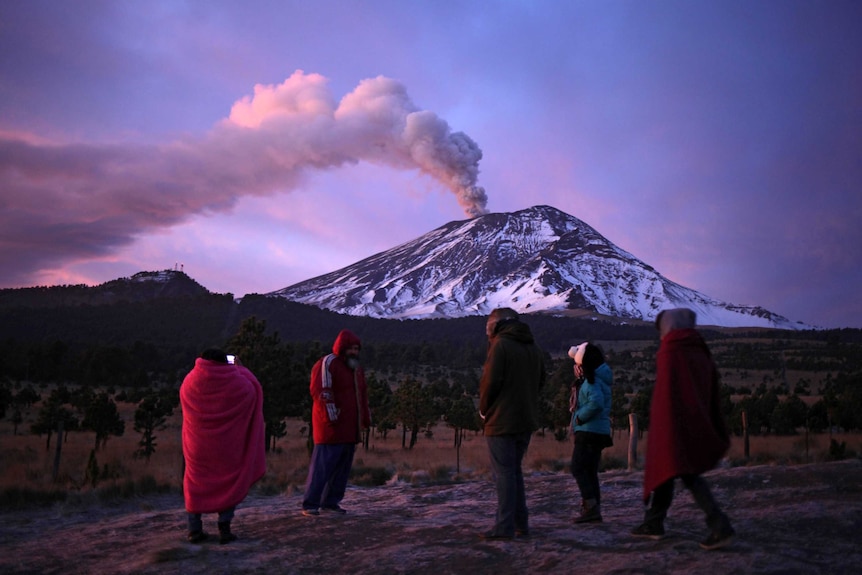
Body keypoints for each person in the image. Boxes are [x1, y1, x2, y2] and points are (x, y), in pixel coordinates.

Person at [631, 308, 736, 550]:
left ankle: (720, 525)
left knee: (684, 472)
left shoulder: (671, 349)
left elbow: (667, 394)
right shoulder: (698, 348)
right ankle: (654, 523)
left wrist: (663, 425)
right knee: (669, 472)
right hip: (694, 419)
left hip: (675, 424)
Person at [180, 348, 265, 544]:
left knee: (194, 482)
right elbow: (253, 389)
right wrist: (240, 369)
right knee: (229, 482)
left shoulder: (190, 381)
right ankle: (224, 529)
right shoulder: (239, 383)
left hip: (197, 446)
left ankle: (194, 529)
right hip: (228, 447)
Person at [478, 307, 546, 539]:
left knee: (504, 474)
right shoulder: (533, 346)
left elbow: (490, 383)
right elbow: (541, 381)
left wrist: (484, 409)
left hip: (501, 420)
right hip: (525, 418)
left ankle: (504, 527)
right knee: (514, 472)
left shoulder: (501, 346)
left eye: (488, 325)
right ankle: (521, 524)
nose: (486, 329)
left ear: (497, 323)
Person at [302, 329, 371, 516]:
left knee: (341, 471)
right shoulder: (328, 363)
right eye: (351, 348)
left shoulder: (356, 369)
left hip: (350, 429)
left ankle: (331, 503)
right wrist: (331, 417)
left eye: (357, 349)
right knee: (322, 468)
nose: (355, 352)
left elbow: (361, 396)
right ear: (342, 348)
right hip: (331, 429)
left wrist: (365, 418)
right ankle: (310, 504)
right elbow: (322, 392)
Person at [567, 341, 613, 524]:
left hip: (589, 431)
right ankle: (594, 510)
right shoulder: (598, 379)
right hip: (599, 431)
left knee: (578, 468)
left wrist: (579, 418)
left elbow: (596, 403)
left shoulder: (591, 382)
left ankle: (591, 507)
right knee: (590, 471)